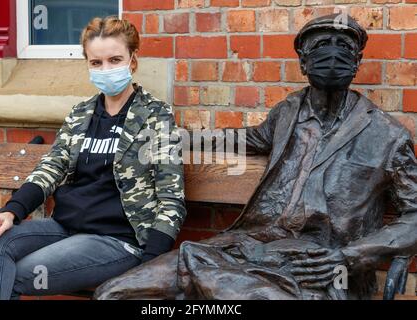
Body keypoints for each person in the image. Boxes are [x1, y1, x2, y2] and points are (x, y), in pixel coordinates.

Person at [95, 14, 417, 300]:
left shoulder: (387, 135)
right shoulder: (288, 113)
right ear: (303, 62)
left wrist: (354, 255)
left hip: (317, 267)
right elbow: (240, 139)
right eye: (321, 45)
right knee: (111, 292)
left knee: (222, 289)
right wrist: (171, 138)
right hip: (246, 248)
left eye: (344, 47)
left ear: (357, 61)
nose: (333, 54)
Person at [0, 16, 186, 300]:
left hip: (117, 241)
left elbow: (171, 198)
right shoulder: (81, 114)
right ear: (87, 64)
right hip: (64, 228)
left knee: (16, 275)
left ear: (133, 60)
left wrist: (151, 264)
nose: (106, 69)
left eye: (115, 60)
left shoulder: (155, 116)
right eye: (96, 63)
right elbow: (52, 166)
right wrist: (10, 212)